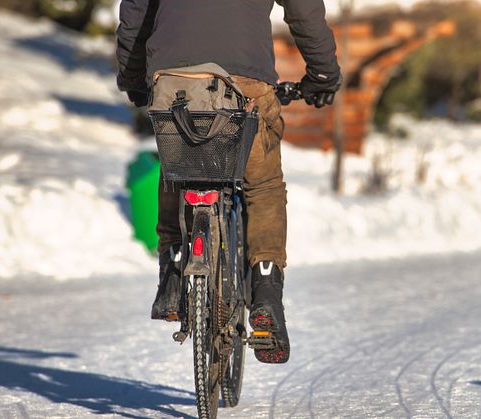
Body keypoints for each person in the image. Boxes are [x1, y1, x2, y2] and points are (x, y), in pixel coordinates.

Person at [116, 0, 341, 364]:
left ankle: (172, 274)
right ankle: (266, 294)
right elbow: (304, 10)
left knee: (178, 165)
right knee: (263, 185)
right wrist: (323, 75)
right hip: (245, 82)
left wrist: (132, 77)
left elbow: (136, 12)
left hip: (174, 78)